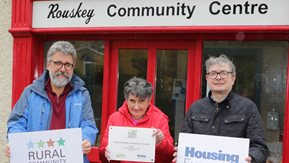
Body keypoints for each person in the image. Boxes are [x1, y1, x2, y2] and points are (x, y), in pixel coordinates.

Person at [6, 41, 98, 163]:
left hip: (71, 159)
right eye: (58, 63)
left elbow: (88, 124)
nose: (63, 69)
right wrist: (16, 142)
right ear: (48, 64)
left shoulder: (82, 94)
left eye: (68, 65)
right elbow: (17, 123)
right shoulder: (30, 92)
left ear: (73, 67)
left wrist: (86, 140)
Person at [173, 54, 268, 163]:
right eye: (213, 73)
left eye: (223, 73)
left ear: (233, 78)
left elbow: (260, 147)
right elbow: (184, 142)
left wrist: (252, 158)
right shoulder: (195, 108)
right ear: (207, 78)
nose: (218, 77)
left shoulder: (248, 107)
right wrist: (179, 152)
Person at [99, 77, 174, 163]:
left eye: (141, 101)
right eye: (132, 101)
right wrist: (106, 152)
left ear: (149, 101)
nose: (136, 107)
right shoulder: (115, 118)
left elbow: (169, 157)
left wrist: (160, 143)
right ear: (126, 100)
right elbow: (103, 157)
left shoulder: (160, 119)